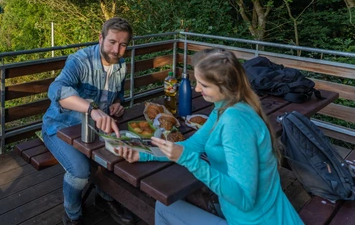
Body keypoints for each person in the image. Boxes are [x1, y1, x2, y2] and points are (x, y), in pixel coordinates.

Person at [116, 48, 304, 225]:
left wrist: (190, 161)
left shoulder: (234, 122)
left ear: (225, 86)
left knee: (164, 207)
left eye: (204, 84)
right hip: (259, 214)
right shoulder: (225, 107)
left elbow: (245, 199)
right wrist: (143, 154)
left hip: (255, 220)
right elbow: (192, 146)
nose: (197, 89)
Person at [42, 17, 135, 225]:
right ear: (101, 39)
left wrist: (118, 103)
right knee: (80, 171)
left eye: (122, 45)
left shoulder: (121, 65)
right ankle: (73, 213)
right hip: (60, 127)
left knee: (120, 157)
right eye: (112, 42)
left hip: (96, 130)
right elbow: (56, 90)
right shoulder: (80, 60)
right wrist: (93, 110)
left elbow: (119, 94)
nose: (116, 50)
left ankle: (105, 198)